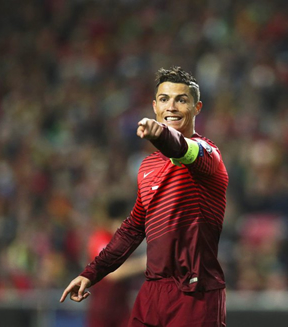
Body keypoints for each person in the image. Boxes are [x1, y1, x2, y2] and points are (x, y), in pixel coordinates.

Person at [60, 66, 229, 326]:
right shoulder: (147, 167)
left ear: (197, 108)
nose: (171, 107)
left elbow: (182, 148)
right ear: (154, 106)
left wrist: (160, 134)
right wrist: (91, 273)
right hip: (152, 293)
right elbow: (133, 229)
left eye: (181, 100)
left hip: (196, 293)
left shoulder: (208, 156)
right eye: (164, 99)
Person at [86, 198, 146, 327]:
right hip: (102, 311)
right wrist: (142, 263)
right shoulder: (101, 238)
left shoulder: (125, 243)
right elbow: (112, 273)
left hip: (120, 308)